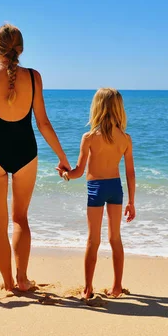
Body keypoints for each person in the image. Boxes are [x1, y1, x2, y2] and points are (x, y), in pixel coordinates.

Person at [0, 23, 70, 291]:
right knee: (20, 219)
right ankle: (23, 279)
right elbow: (44, 123)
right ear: (21, 49)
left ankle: (8, 283)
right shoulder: (34, 77)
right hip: (26, 153)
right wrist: (63, 157)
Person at [62, 88, 136, 299]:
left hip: (96, 190)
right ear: (119, 109)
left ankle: (87, 289)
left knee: (93, 240)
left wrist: (65, 175)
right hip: (116, 188)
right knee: (115, 239)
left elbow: (78, 171)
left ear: (97, 108)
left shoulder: (89, 137)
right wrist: (131, 201)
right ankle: (117, 287)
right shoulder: (125, 139)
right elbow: (130, 173)